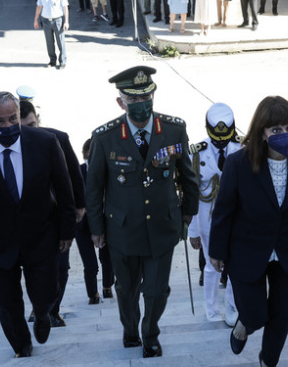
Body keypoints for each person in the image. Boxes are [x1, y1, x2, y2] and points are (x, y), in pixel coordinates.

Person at [209, 96, 288, 367]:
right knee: (255, 314)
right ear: (262, 133)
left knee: (283, 313)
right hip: (247, 249)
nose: (284, 135)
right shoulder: (238, 163)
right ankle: (244, 323)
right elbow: (224, 211)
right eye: (276, 130)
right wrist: (217, 251)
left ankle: (269, 360)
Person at [86, 66, 199, 358]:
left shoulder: (174, 129)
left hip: (163, 226)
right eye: (134, 99)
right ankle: (130, 327)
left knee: (157, 290)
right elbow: (94, 187)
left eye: (147, 96)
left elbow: (188, 175)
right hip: (123, 229)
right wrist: (96, 229)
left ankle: (150, 333)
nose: (142, 104)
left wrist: (188, 212)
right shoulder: (105, 137)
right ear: (121, 102)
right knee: (126, 289)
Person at [0, 91, 76, 359]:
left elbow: (64, 188)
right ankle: (21, 346)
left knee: (45, 292)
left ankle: (43, 314)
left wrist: (67, 230)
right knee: (6, 303)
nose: (8, 126)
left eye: (13, 119)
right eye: (0, 122)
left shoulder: (45, 142)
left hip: (42, 236)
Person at [19, 100, 86, 327]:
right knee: (34, 267)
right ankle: (39, 308)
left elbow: (75, 174)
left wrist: (80, 206)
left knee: (61, 266)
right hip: (27, 219)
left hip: (58, 215)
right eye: (24, 127)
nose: (30, 131)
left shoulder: (57, 138)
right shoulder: (9, 146)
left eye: (33, 124)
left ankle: (53, 309)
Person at [188, 103, 241, 324]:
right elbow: (191, 193)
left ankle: (232, 306)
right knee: (211, 265)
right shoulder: (197, 152)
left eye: (225, 137)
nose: (221, 141)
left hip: (237, 215)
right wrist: (192, 231)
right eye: (216, 137)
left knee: (235, 263)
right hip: (207, 217)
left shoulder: (243, 149)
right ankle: (211, 309)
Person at [74, 138, 114, 305]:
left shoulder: (109, 172)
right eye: (89, 155)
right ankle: (93, 294)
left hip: (104, 222)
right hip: (82, 225)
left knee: (107, 257)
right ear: (84, 155)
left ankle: (106, 286)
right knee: (90, 263)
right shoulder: (77, 172)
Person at [33, 0, 69, 70]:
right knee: (49, 42)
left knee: (60, 42)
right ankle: (52, 61)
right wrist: (36, 20)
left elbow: (65, 7)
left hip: (57, 20)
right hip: (45, 20)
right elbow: (39, 6)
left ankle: (62, 61)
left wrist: (66, 22)